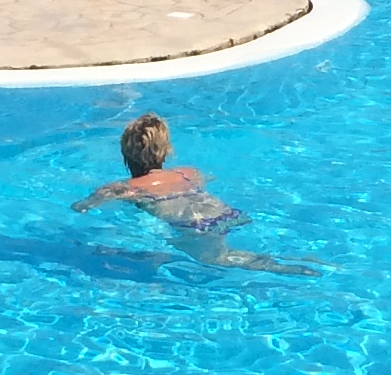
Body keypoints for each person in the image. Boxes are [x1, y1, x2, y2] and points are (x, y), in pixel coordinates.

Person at [72, 111, 316, 273]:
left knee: (215, 259)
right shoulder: (188, 172)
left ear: (124, 152)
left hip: (194, 225)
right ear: (166, 150)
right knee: (226, 252)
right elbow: (206, 181)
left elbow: (81, 207)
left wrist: (87, 203)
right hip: (223, 213)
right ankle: (299, 259)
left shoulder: (123, 188)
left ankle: (288, 268)